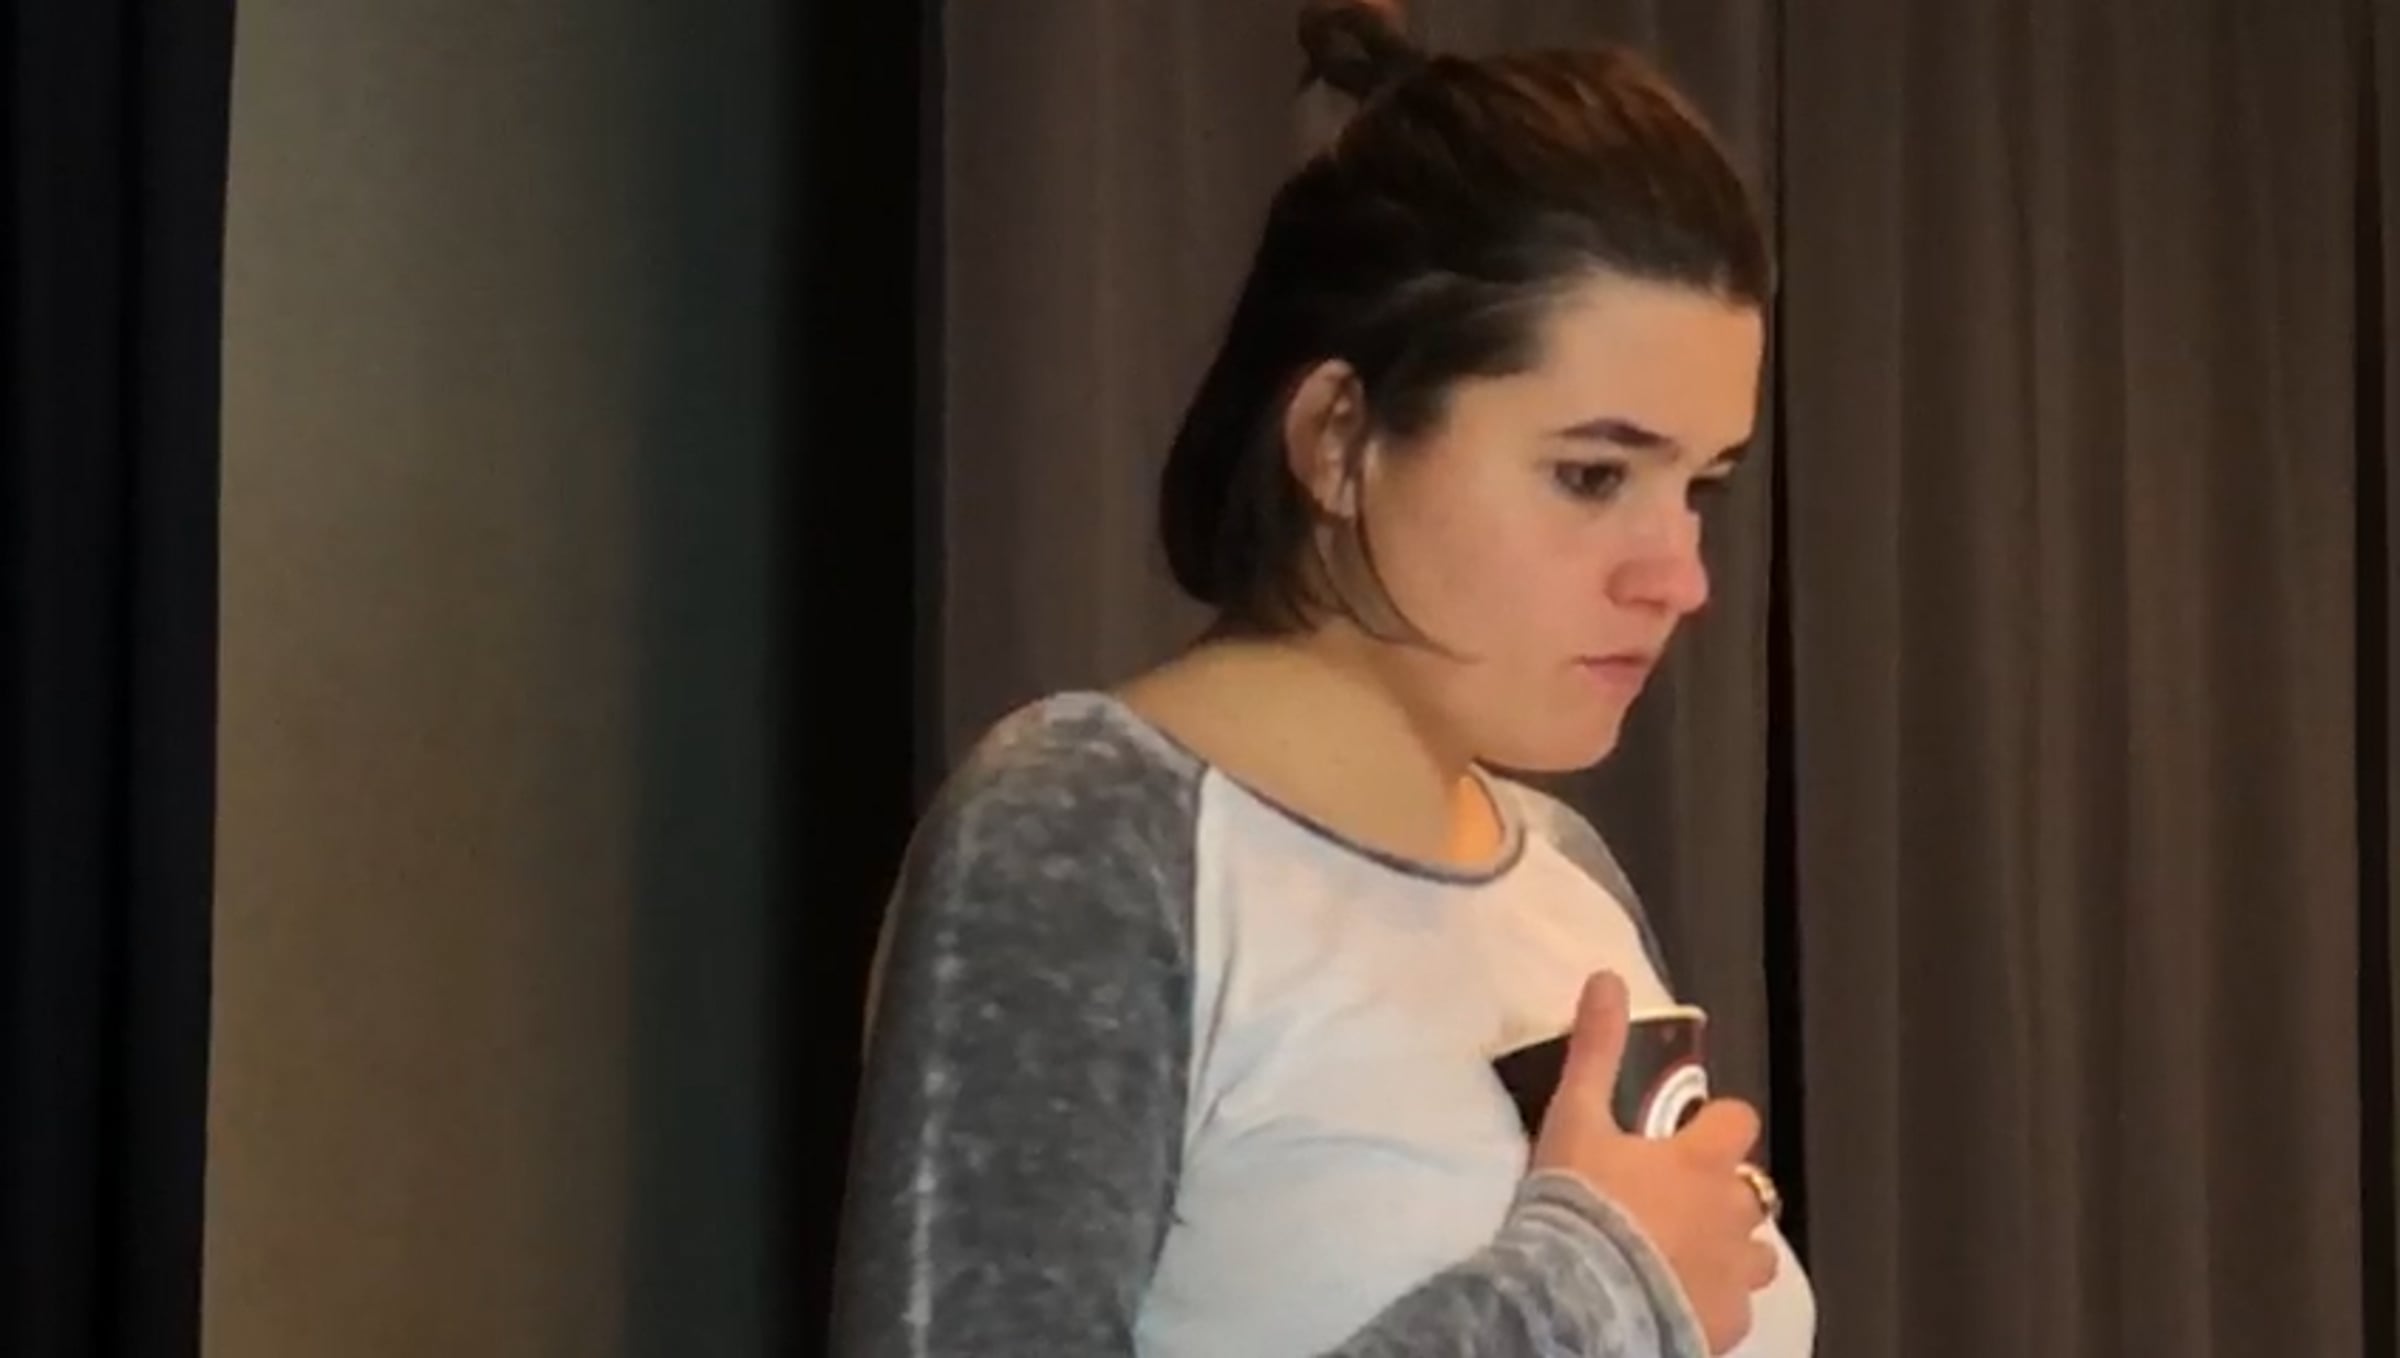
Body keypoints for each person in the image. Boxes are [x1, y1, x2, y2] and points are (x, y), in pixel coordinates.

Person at [828, 3, 1815, 1354]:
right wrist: (1583, 1290)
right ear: (1341, 437)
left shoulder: (1566, 878)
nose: (1680, 576)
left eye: (1699, 486)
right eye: (1592, 476)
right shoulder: (1091, 833)